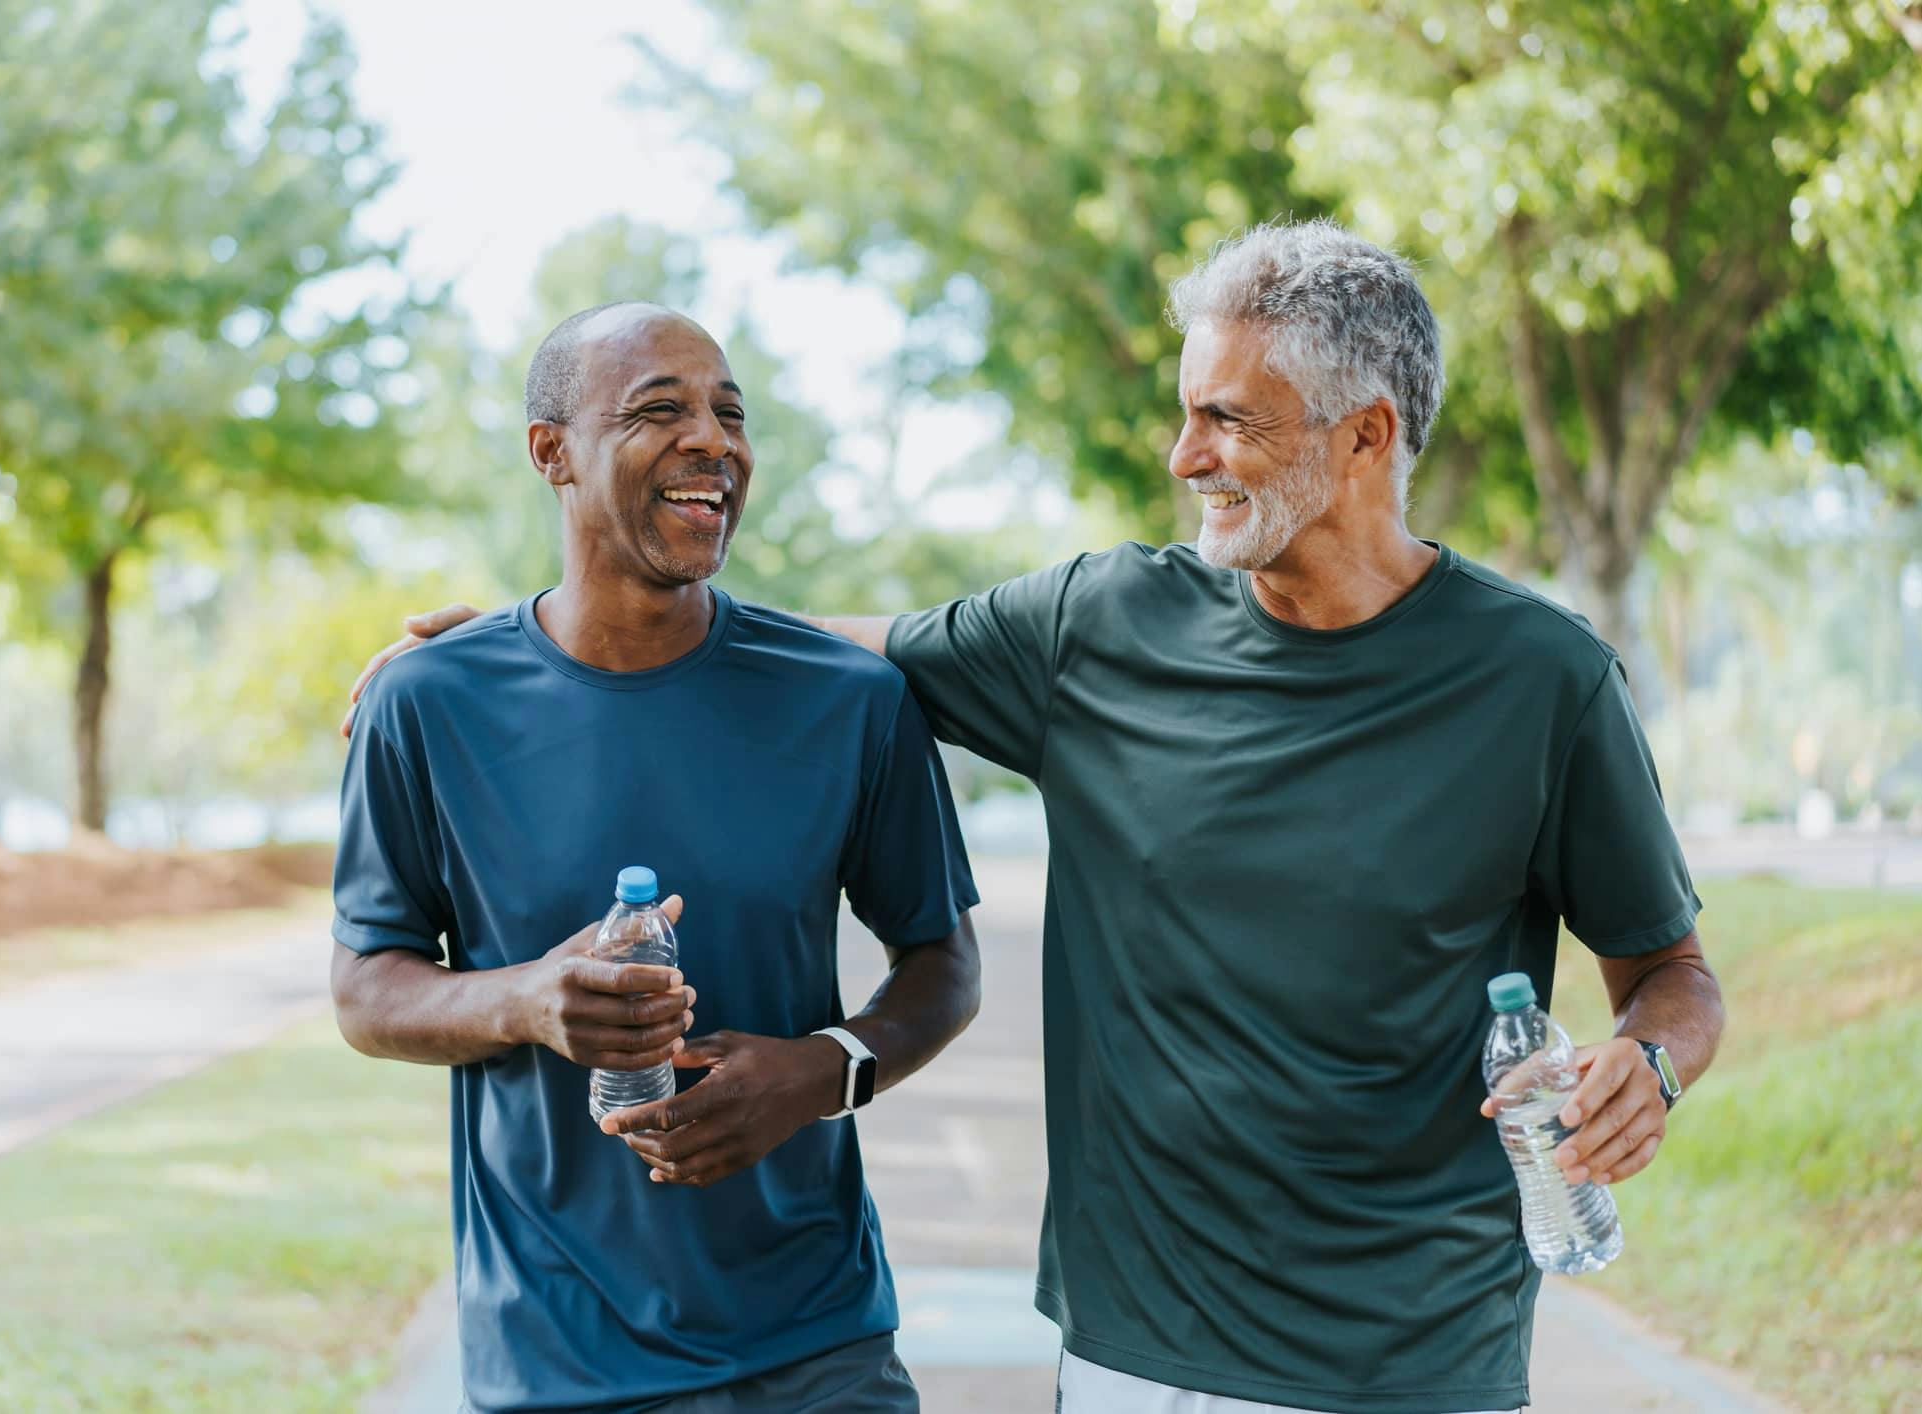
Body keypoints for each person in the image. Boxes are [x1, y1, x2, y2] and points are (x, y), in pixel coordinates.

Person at [348, 222, 1726, 1414]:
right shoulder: (1101, 625)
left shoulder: (1543, 680)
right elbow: (833, 650)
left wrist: (1645, 1067)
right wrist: (533, 643)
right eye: (1187, 410)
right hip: (1137, 1347)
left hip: (1420, 1350)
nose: (1184, 454)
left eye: (1228, 419)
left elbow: (1671, 974)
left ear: (1364, 434)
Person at [331, 301, 981, 1413]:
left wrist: (819, 1071)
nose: (713, 443)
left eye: (730, 415)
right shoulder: (427, 704)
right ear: (554, 454)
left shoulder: (849, 701)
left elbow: (944, 965)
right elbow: (366, 989)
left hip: (818, 1348)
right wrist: (531, 1000)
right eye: (659, 410)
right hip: (558, 1358)